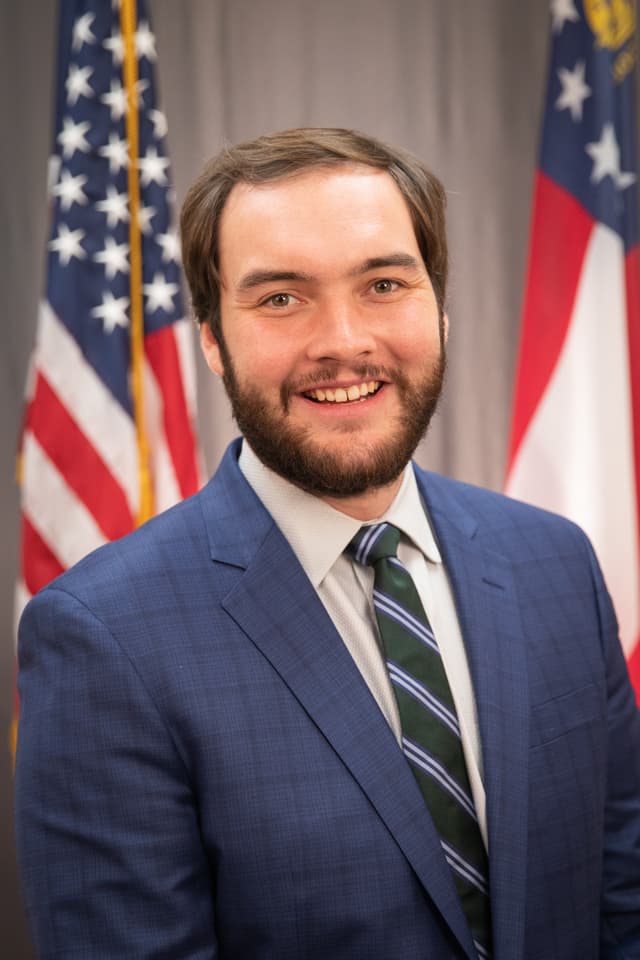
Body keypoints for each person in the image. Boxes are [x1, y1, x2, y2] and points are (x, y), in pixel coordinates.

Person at [15, 127, 640, 960]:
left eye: (383, 283)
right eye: (281, 297)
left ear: (441, 310)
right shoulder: (101, 638)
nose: (343, 340)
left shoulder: (556, 564)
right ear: (211, 338)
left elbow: (622, 899)